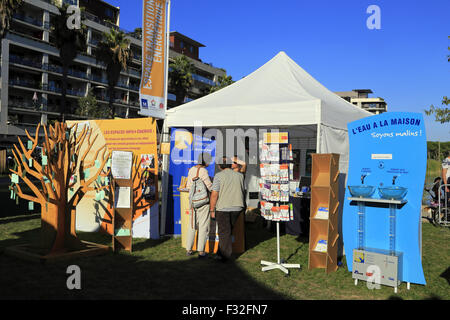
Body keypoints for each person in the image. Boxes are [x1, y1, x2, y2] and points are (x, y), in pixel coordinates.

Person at [209, 156, 245, 262]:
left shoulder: (219, 176)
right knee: (227, 232)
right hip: (237, 207)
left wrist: (212, 209)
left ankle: (225, 256)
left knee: (224, 232)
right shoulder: (240, 175)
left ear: (220, 166)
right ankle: (220, 253)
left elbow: (214, 194)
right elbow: (244, 165)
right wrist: (237, 161)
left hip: (223, 208)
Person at [185, 153, 213, 258]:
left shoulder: (191, 170)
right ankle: (201, 251)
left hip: (192, 201)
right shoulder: (203, 171)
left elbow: (188, 186)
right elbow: (209, 187)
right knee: (203, 225)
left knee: (192, 225)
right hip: (203, 202)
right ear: (205, 161)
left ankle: (189, 249)